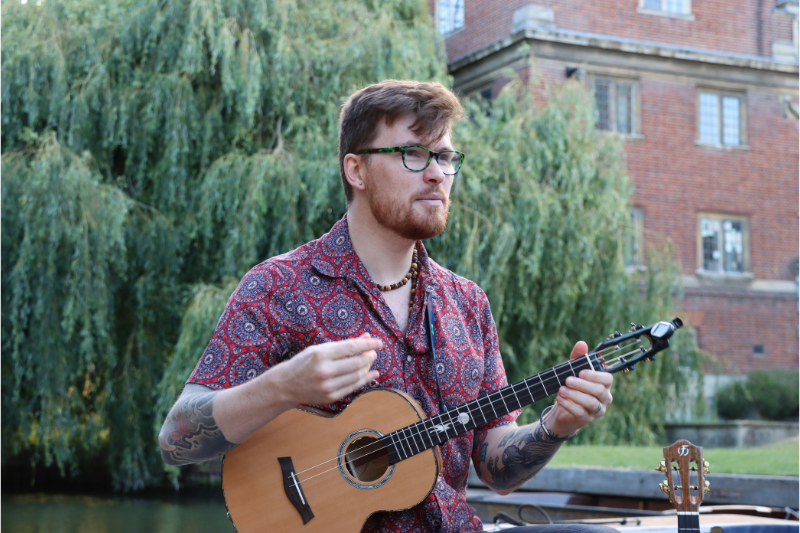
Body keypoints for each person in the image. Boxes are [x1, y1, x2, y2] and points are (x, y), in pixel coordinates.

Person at [158, 80, 616, 533]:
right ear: (356, 171)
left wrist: (557, 425)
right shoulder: (278, 287)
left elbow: (498, 471)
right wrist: (282, 386)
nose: (436, 174)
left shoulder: (468, 302)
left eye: (445, 158)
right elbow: (176, 440)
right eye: (413, 154)